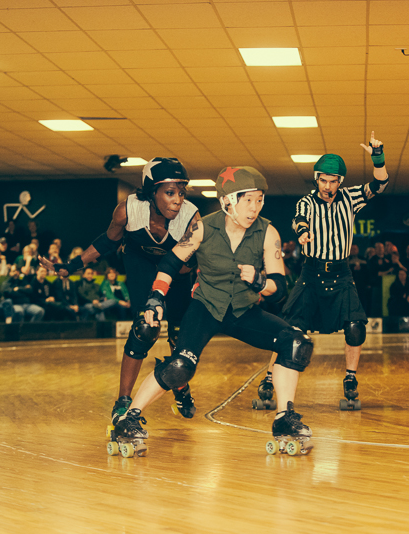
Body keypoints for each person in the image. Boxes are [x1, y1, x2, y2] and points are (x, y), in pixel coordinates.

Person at [109, 166, 313, 457]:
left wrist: (259, 281)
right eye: (248, 200)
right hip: (205, 308)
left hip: (243, 312)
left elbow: (279, 288)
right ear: (228, 201)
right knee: (181, 366)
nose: (254, 208)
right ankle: (129, 418)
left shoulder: (268, 233)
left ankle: (284, 419)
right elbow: (169, 264)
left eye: (259, 200)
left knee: (296, 343)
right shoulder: (203, 227)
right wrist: (156, 298)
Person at [40, 157, 199, 422]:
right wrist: (70, 266)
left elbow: (198, 260)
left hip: (177, 273)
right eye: (170, 192)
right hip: (141, 266)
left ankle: (181, 387)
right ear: (151, 192)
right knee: (145, 328)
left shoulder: (191, 216)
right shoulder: (127, 211)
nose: (178, 199)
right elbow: (107, 242)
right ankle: (123, 401)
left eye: (181, 192)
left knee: (180, 343)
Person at [253, 135, 389, 411]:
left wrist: (378, 157)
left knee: (355, 327)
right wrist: (303, 233)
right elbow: (300, 219)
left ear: (340, 182)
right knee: (291, 328)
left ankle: (350, 380)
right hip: (312, 274)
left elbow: (380, 184)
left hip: (341, 275)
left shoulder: (351, 198)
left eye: (333, 181)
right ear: (317, 179)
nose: (328, 186)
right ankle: (269, 378)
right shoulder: (307, 202)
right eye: (323, 180)